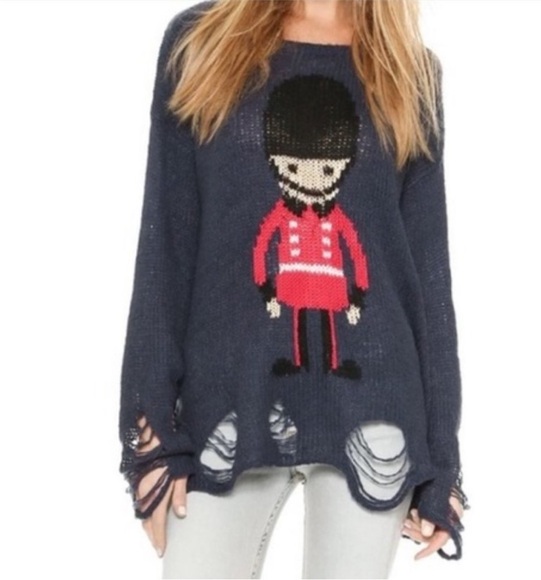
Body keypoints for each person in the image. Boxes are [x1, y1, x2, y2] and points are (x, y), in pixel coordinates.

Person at [117, 0, 470, 577]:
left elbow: (429, 279)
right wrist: (150, 428)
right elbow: (166, 246)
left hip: (376, 403)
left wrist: (442, 466)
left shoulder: (410, 70)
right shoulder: (201, 41)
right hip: (227, 396)